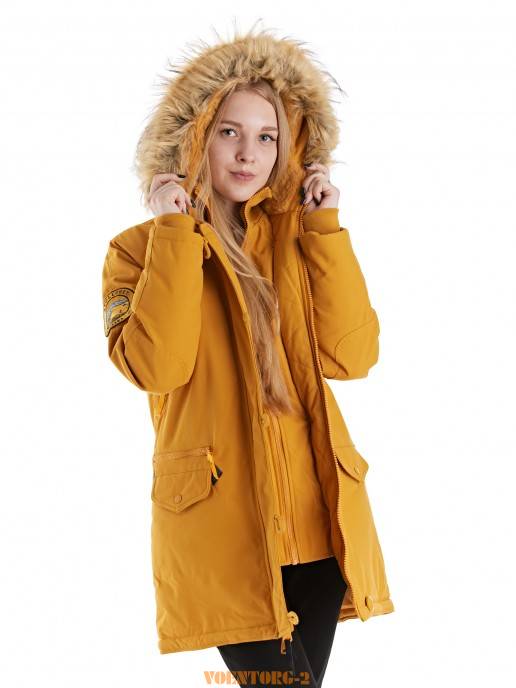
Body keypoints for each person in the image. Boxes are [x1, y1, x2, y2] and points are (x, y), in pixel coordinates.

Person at [102, 24, 394, 687]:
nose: (248, 153)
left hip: (317, 523)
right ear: (194, 137)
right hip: (225, 532)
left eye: (268, 137)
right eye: (229, 131)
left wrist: (325, 229)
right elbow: (157, 367)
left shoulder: (301, 236)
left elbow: (353, 356)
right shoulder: (139, 251)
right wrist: (175, 230)